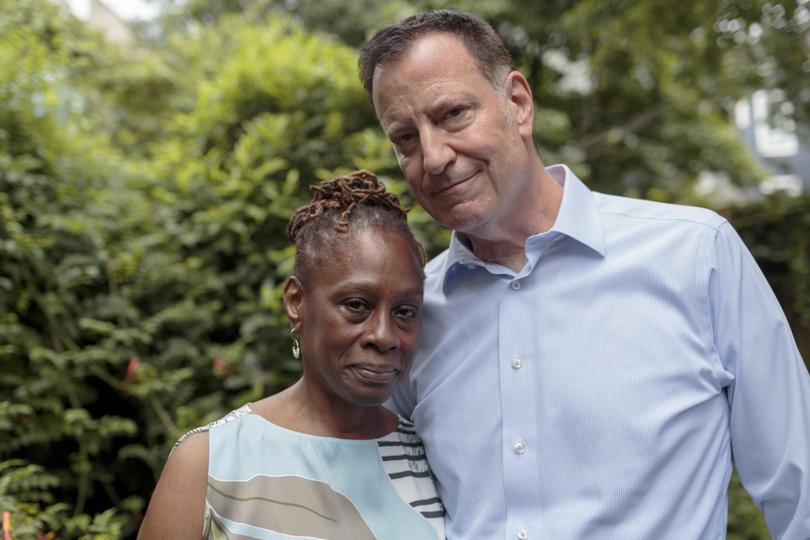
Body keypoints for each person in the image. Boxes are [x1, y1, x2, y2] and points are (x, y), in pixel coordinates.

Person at [359, 9, 810, 540]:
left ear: (518, 104)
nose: (433, 157)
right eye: (406, 139)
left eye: (454, 114)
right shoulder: (410, 316)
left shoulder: (696, 255)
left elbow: (798, 487)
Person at [137, 171, 444, 539]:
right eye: (357, 305)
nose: (384, 336)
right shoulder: (210, 462)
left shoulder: (431, 457)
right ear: (296, 302)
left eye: (405, 311)